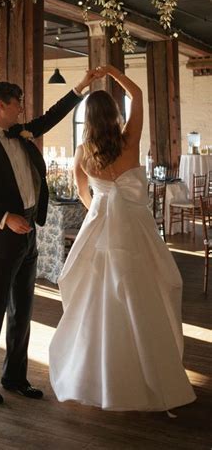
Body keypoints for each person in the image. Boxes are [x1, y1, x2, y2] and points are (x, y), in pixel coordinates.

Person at [49, 64, 196, 412]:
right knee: (145, 292)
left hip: (100, 226)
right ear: (114, 114)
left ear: (87, 119)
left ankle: (98, 374)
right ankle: (148, 370)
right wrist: (113, 72)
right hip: (135, 227)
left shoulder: (83, 154)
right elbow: (139, 95)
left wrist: (101, 212)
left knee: (96, 299)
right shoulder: (130, 140)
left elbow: (85, 195)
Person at [0, 70, 99, 405]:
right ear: (2, 104)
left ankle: (15, 376)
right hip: (2, 239)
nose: (22, 107)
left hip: (28, 235)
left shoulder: (21, 133)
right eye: (18, 101)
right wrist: (5, 218)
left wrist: (80, 88)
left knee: (22, 310)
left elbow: (51, 117)